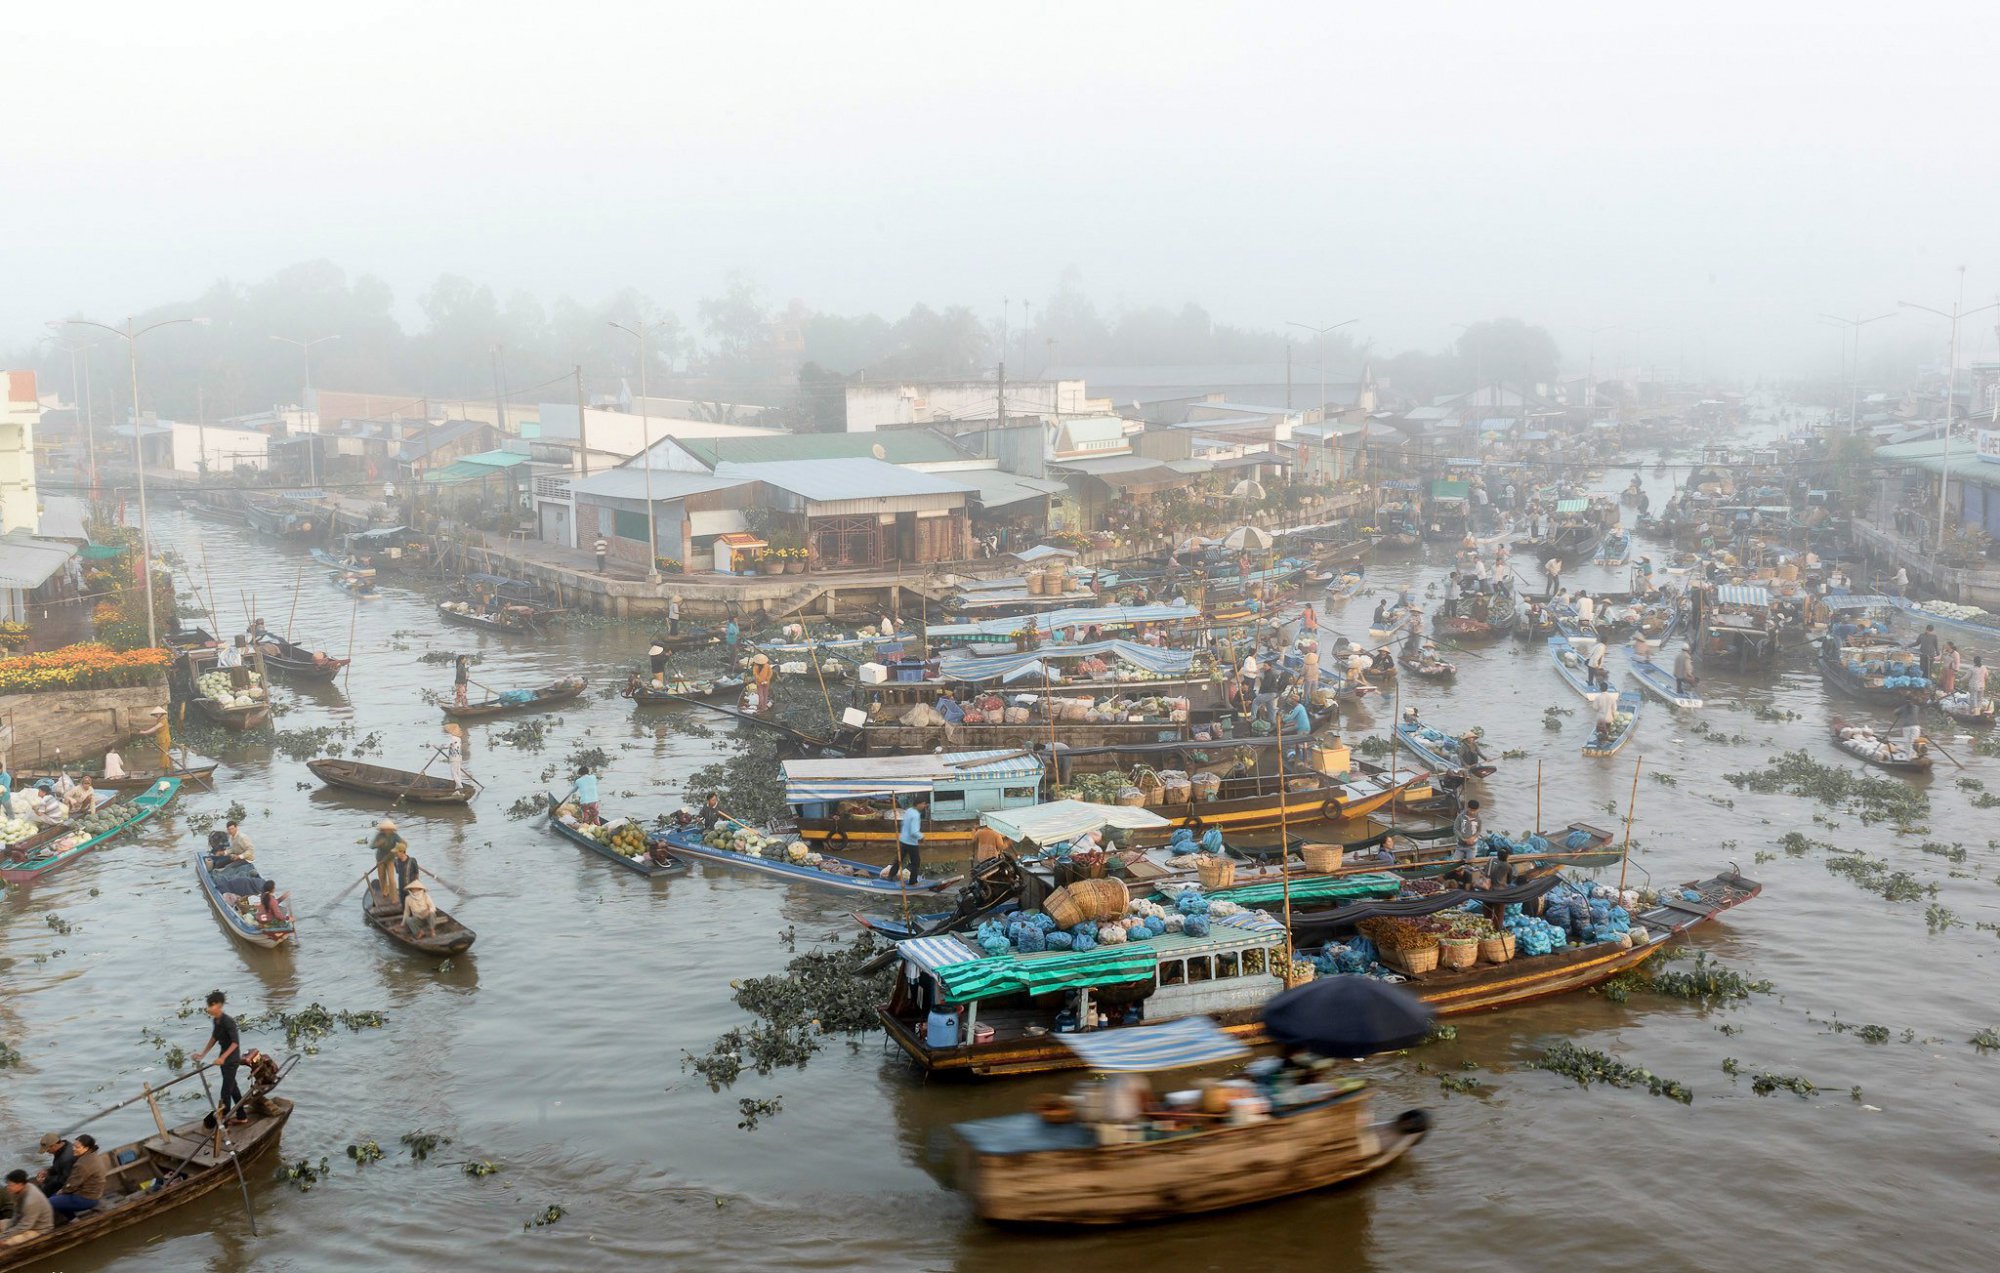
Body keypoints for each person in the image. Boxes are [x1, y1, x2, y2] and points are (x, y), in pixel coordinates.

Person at [191, 989, 244, 1125]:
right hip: (224, 1060)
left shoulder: (228, 1022)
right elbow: (214, 1038)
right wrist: (202, 1054)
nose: (209, 1008)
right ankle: (242, 1116)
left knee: (225, 1093)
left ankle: (223, 1123)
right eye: (209, 1005)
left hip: (231, 1060)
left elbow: (235, 1043)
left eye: (212, 1005)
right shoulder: (217, 1021)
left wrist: (223, 1058)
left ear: (219, 1005)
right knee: (233, 1088)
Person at [43, 1131, 102, 1222]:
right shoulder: (91, 1155)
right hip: (91, 1192)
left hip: (87, 1198)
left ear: (86, 1148)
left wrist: (62, 1190)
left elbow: (71, 1185)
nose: (73, 1149)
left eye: (77, 1147)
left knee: (49, 1202)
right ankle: (73, 1219)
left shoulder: (82, 1164)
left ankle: (69, 1220)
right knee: (56, 1196)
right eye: (74, 1145)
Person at [1, 1170, 52, 1247]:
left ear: (20, 1184)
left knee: (5, 1242)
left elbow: (25, 1226)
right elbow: (16, 1214)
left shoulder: (31, 1200)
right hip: (23, 1222)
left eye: (11, 1185)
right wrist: (7, 1231)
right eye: (8, 1185)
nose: (8, 1188)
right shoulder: (17, 1192)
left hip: (38, 1229)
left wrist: (4, 1237)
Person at [889, 796, 926, 884]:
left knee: (899, 860)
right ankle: (913, 882)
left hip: (903, 840)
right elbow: (914, 832)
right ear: (918, 804)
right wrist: (922, 836)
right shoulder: (916, 815)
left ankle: (891, 876)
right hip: (911, 843)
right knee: (916, 862)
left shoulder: (909, 810)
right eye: (923, 804)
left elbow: (903, 824)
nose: (924, 806)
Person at [371, 819, 406, 906]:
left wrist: (397, 850)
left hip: (390, 859)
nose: (387, 830)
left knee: (392, 879)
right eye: (386, 829)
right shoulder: (379, 835)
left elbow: (404, 844)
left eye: (389, 829)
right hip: (380, 859)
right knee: (382, 877)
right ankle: (385, 892)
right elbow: (371, 846)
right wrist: (378, 844)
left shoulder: (394, 836)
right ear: (383, 829)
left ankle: (394, 898)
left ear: (392, 829)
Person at [133, 706, 173, 772]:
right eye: (155, 714)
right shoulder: (159, 720)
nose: (156, 715)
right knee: (162, 753)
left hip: (164, 739)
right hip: (160, 739)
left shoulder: (163, 720)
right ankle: (163, 767)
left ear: (161, 713)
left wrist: (144, 732)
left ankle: (165, 768)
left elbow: (155, 728)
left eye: (157, 714)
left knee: (164, 754)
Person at [441, 724, 467, 790]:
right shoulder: (458, 739)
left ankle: (460, 786)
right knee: (458, 772)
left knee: (454, 773)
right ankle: (458, 786)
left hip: (453, 758)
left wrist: (439, 746)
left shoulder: (453, 739)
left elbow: (446, 746)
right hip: (458, 757)